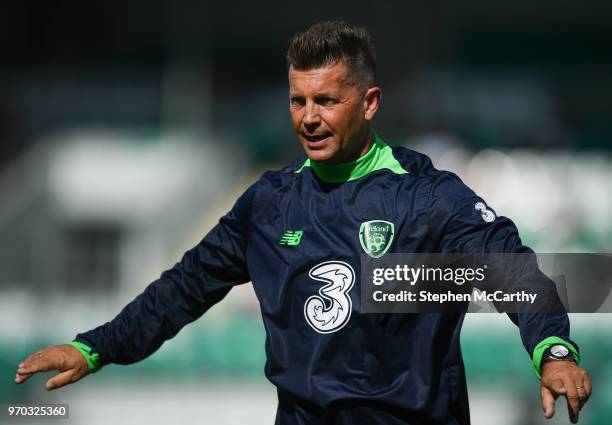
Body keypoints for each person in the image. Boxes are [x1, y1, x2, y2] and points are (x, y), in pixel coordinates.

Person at [15, 21, 591, 425]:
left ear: (369, 103)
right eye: (298, 101)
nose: (309, 118)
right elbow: (183, 288)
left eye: (326, 101)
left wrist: (554, 351)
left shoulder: (429, 197)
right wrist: (95, 348)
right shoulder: (269, 202)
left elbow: (514, 270)